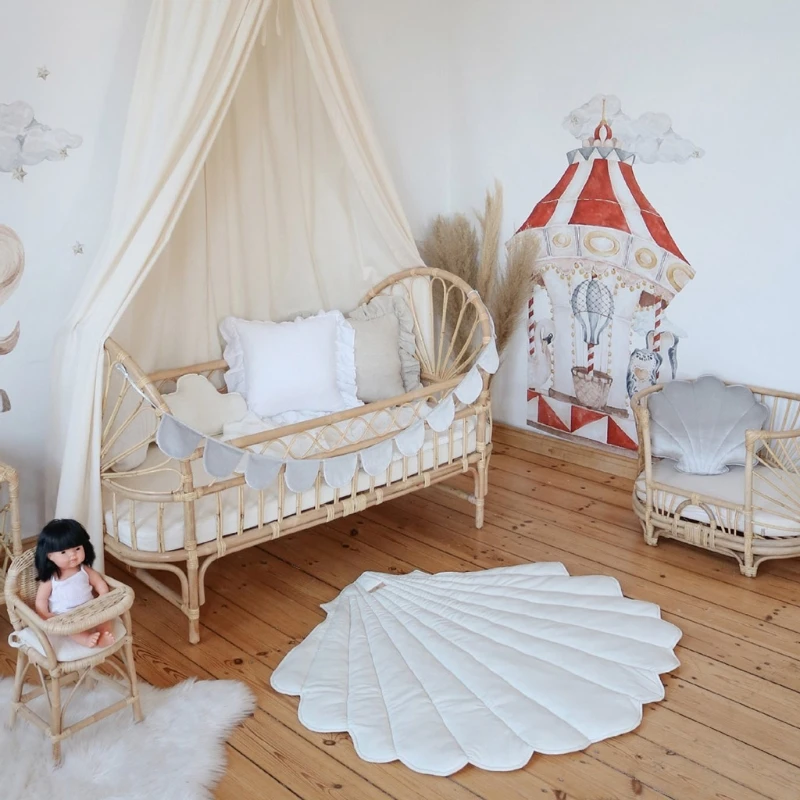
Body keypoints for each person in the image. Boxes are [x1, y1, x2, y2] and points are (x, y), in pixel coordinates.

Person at [34, 519, 116, 648]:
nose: (72, 555)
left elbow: (98, 581)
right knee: (72, 630)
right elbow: (41, 599)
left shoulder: (83, 569)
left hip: (90, 609)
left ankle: (103, 634)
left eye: (77, 549)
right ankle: (86, 639)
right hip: (66, 616)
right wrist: (44, 614)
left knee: (105, 618)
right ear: (50, 556)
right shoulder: (52, 578)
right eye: (63, 552)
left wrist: (103, 594)